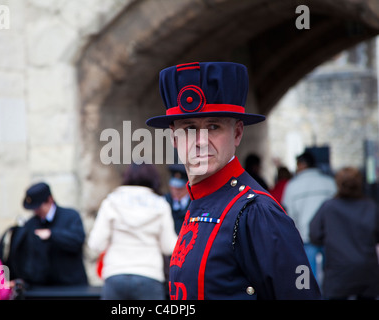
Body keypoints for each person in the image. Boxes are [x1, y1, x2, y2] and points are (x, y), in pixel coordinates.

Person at [146, 61, 320, 300]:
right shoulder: (200, 199)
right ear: (174, 138)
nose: (201, 141)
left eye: (214, 126)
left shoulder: (257, 212)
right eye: (188, 128)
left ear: (237, 133)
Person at [88, 163, 177, 300]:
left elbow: (96, 244)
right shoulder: (161, 205)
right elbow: (169, 247)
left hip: (115, 274)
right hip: (149, 275)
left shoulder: (111, 201)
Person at [309, 167, 379, 300]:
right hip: (367, 270)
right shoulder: (371, 206)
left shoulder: (329, 207)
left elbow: (314, 235)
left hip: (338, 271)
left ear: (338, 183)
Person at [7, 182, 88, 286]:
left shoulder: (70, 216)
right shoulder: (31, 224)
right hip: (43, 287)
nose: (36, 211)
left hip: (72, 285)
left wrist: (51, 235)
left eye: (38, 207)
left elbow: (77, 240)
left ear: (50, 200)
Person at [282, 151, 336, 283]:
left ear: (302, 165)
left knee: (307, 279)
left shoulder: (292, 186)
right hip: (329, 237)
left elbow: (287, 213)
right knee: (332, 276)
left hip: (305, 238)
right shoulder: (329, 183)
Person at [164, 164, 190, 235]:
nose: (176, 191)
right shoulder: (164, 201)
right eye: (174, 187)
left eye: (180, 188)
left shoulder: (193, 203)